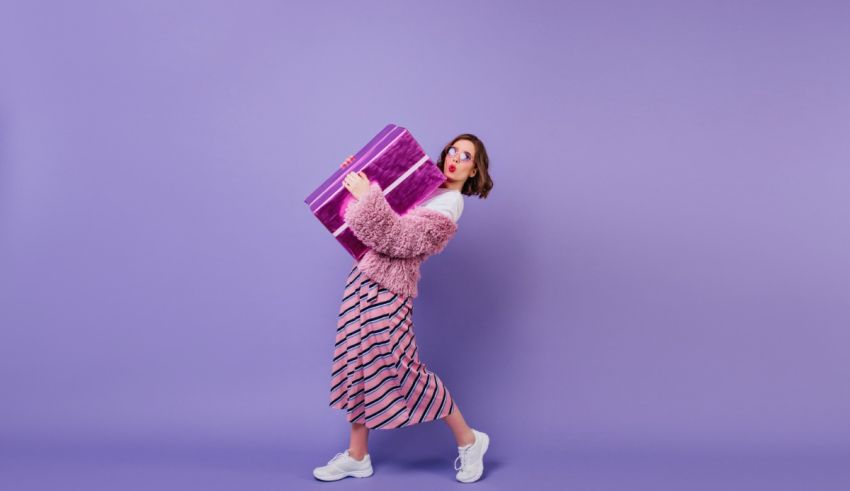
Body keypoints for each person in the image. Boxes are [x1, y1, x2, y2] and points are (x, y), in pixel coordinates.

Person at [313, 134, 494, 483]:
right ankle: (357, 455)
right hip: (363, 276)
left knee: (402, 368)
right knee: (357, 360)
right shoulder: (424, 185)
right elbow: (369, 217)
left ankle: (469, 440)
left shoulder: (450, 204)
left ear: (474, 171)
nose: (455, 158)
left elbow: (398, 239)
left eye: (466, 156)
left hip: (390, 287)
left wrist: (368, 197)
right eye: (452, 150)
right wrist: (356, 179)